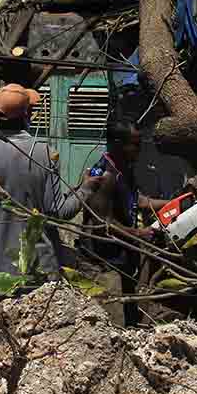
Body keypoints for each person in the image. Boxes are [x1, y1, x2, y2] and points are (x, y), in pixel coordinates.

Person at [0, 84, 102, 293]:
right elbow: (57, 212)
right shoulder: (45, 154)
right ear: (27, 114)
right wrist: (85, 189)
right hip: (40, 273)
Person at [78, 120, 170, 326]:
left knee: (131, 320)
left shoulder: (124, 168)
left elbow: (137, 201)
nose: (139, 150)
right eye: (134, 145)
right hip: (103, 263)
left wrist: (172, 204)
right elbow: (102, 224)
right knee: (110, 325)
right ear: (118, 144)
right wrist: (139, 233)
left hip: (121, 258)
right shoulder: (104, 176)